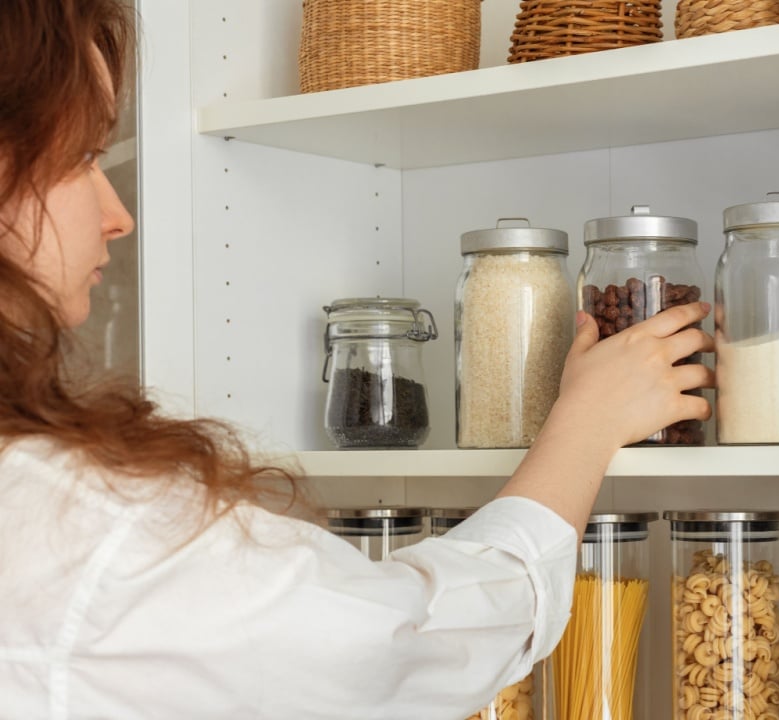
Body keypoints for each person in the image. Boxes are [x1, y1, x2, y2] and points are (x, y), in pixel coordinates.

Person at [0, 1, 714, 717]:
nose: (118, 213)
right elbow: (399, 643)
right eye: (82, 157)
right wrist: (584, 427)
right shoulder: (76, 524)